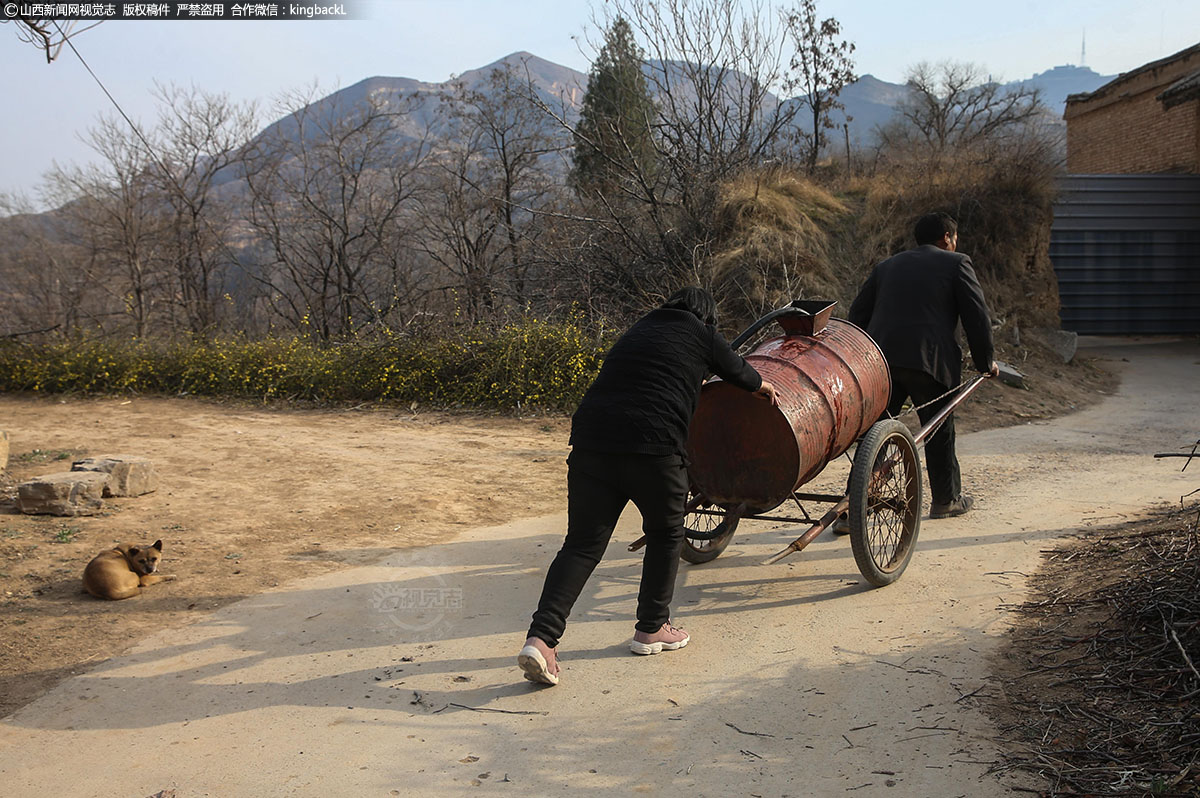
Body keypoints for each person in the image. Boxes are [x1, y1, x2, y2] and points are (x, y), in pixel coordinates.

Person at [517, 287, 778, 686]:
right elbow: (739, 371)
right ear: (706, 316)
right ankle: (652, 627)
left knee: (582, 545)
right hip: (655, 448)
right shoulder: (701, 333)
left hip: (591, 444)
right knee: (665, 534)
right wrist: (762, 387)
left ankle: (542, 639)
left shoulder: (638, 329)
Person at [848, 211, 998, 521]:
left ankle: (854, 506)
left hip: (881, 364)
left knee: (875, 433)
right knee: (939, 430)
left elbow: (857, 315)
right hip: (930, 362)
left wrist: (860, 360)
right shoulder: (957, 263)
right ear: (947, 238)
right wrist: (986, 362)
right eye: (954, 239)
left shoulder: (886, 266)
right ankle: (946, 500)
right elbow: (976, 317)